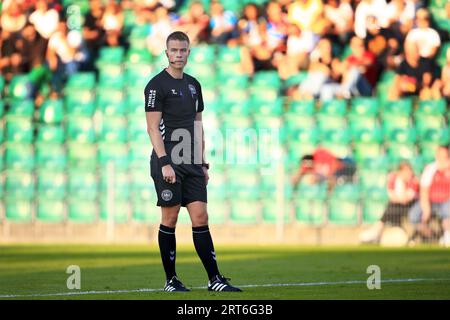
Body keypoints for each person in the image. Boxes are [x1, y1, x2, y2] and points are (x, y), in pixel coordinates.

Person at [144, 31, 242, 292]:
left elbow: (198, 126)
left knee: (200, 216)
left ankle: (215, 280)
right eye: (174, 50)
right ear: (166, 53)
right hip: (168, 162)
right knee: (171, 217)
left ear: (189, 52)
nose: (178, 54)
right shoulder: (156, 85)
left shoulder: (194, 85)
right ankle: (171, 280)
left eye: (183, 50)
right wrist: (165, 162)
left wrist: (202, 163)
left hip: (192, 163)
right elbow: (153, 128)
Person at [359, 161, 419, 243]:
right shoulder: (394, 179)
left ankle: (376, 230)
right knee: (392, 208)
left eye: (409, 171)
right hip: (397, 207)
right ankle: (405, 238)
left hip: (412, 207)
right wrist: (400, 197)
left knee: (391, 208)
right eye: (405, 171)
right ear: (399, 171)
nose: (408, 173)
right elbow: (392, 196)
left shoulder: (414, 181)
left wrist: (400, 198)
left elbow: (406, 199)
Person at [408, 145, 450, 247]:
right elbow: (424, 190)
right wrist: (426, 208)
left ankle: (447, 236)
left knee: (447, 212)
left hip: (446, 200)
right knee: (413, 216)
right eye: (439, 155)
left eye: (444, 155)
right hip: (431, 201)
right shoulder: (431, 168)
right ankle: (434, 236)